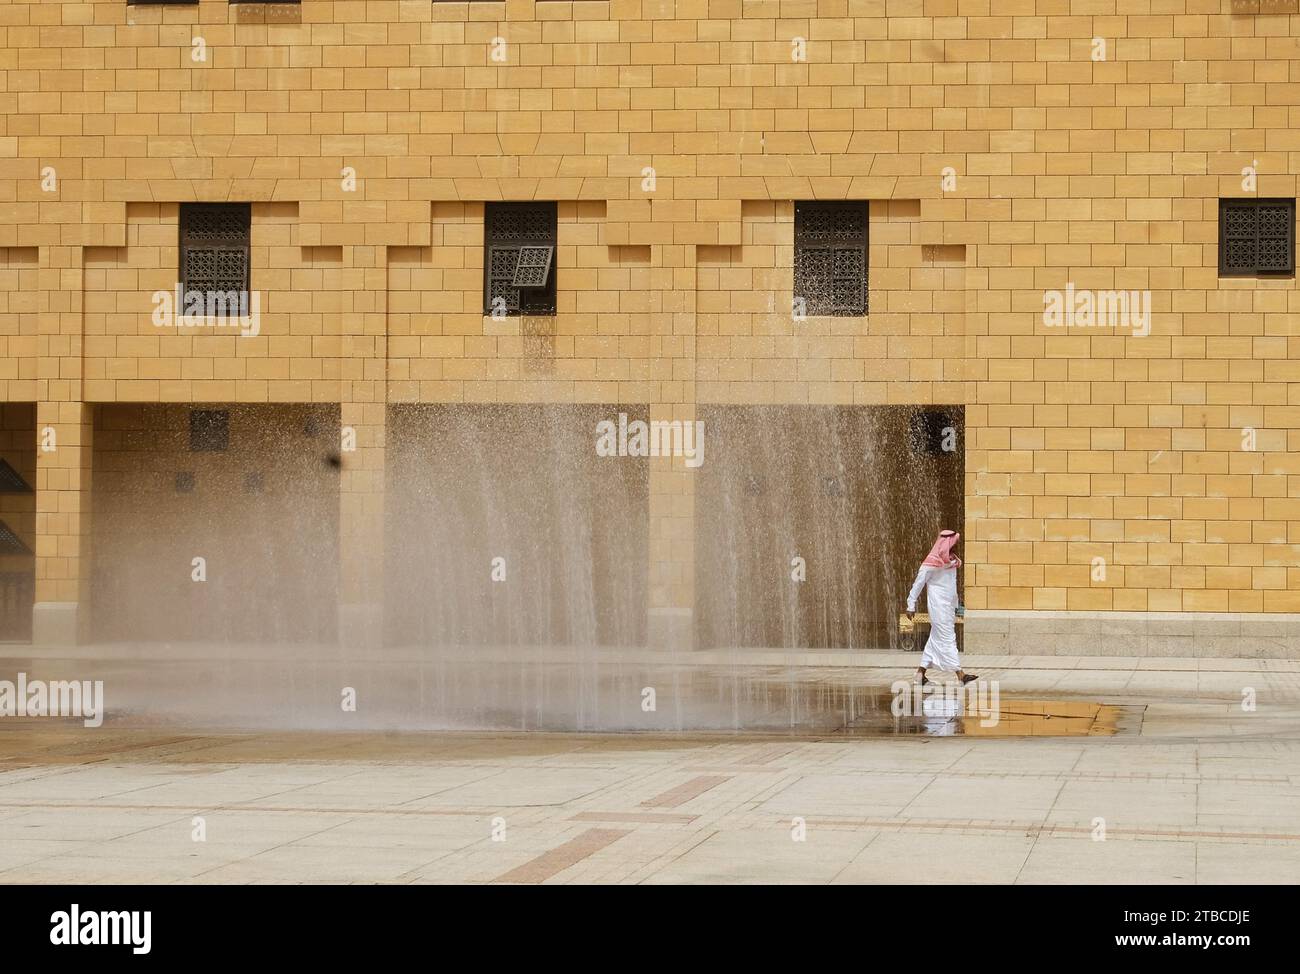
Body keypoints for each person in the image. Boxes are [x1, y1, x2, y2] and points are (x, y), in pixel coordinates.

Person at [905, 529, 977, 686]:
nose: (956, 547)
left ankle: (920, 675)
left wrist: (956, 606)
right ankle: (961, 675)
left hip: (948, 607)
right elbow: (919, 583)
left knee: (935, 639)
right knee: (947, 637)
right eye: (954, 544)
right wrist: (911, 604)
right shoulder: (931, 563)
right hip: (938, 607)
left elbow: (951, 586)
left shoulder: (952, 562)